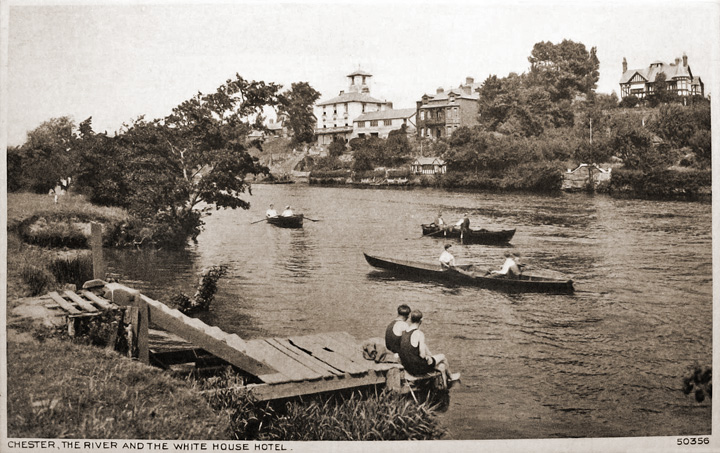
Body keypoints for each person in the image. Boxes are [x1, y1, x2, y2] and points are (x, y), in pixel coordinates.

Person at [398, 310, 457, 389]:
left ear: (410, 319)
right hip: (417, 369)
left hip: (407, 367)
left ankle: (445, 378)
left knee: (438, 363)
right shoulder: (419, 333)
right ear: (421, 320)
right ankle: (450, 377)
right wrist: (428, 357)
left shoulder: (404, 332)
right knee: (443, 357)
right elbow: (422, 355)